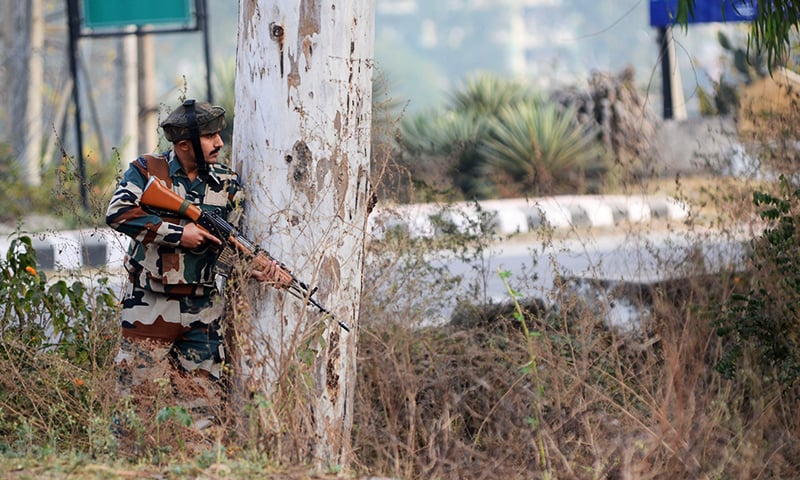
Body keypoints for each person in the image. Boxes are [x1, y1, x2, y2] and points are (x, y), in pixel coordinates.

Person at [106, 99, 285, 430]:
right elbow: (117, 213)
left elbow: (227, 252)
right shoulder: (147, 170)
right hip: (149, 305)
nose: (219, 143)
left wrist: (256, 268)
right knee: (134, 412)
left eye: (218, 135)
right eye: (210, 137)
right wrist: (178, 233)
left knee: (202, 414)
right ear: (184, 144)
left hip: (202, 311)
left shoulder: (227, 183)